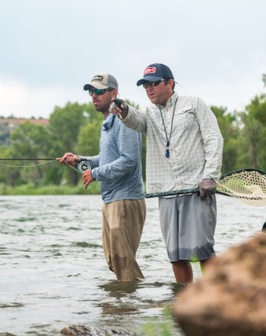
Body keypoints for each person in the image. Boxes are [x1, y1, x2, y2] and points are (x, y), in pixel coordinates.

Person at [112, 63, 223, 285]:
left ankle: (219, 298)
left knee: (203, 250)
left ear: (170, 83)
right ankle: (185, 301)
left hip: (197, 189)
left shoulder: (194, 104)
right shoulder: (149, 112)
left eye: (154, 84)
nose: (149, 89)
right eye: (145, 85)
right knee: (176, 255)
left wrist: (210, 175)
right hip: (166, 192)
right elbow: (136, 120)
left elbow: (214, 138)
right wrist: (124, 110)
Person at [59, 73, 146, 282]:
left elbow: (129, 161)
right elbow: (106, 158)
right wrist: (80, 160)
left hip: (125, 200)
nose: (93, 96)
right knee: (114, 261)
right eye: (91, 92)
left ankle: (130, 309)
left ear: (114, 93)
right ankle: (122, 309)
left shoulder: (124, 120)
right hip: (111, 201)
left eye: (99, 91)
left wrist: (94, 173)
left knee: (125, 265)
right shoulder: (107, 123)